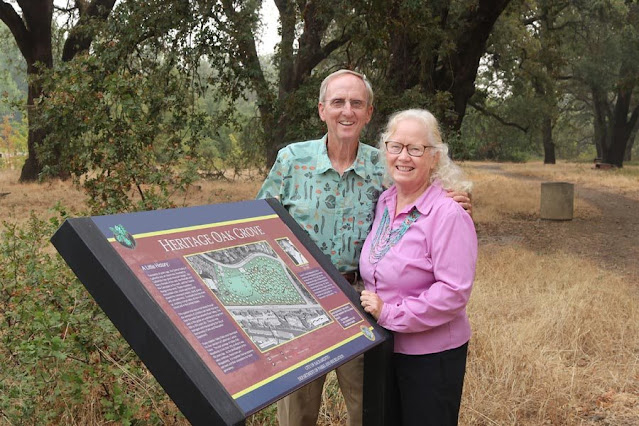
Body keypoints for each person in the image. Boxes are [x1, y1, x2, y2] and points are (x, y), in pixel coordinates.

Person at [257, 71, 472, 426]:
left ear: (369, 113)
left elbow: (422, 187)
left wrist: (458, 199)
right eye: (338, 102)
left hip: (360, 303)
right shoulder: (292, 160)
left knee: (369, 411)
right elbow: (259, 223)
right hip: (298, 304)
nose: (347, 111)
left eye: (356, 103)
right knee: (297, 414)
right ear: (321, 109)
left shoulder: (383, 164)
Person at [359, 109, 477, 426]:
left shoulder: (448, 213)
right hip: (385, 347)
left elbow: (454, 292)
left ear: (435, 157)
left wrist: (390, 314)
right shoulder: (385, 201)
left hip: (431, 356)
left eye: (416, 149)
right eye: (396, 146)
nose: (404, 157)